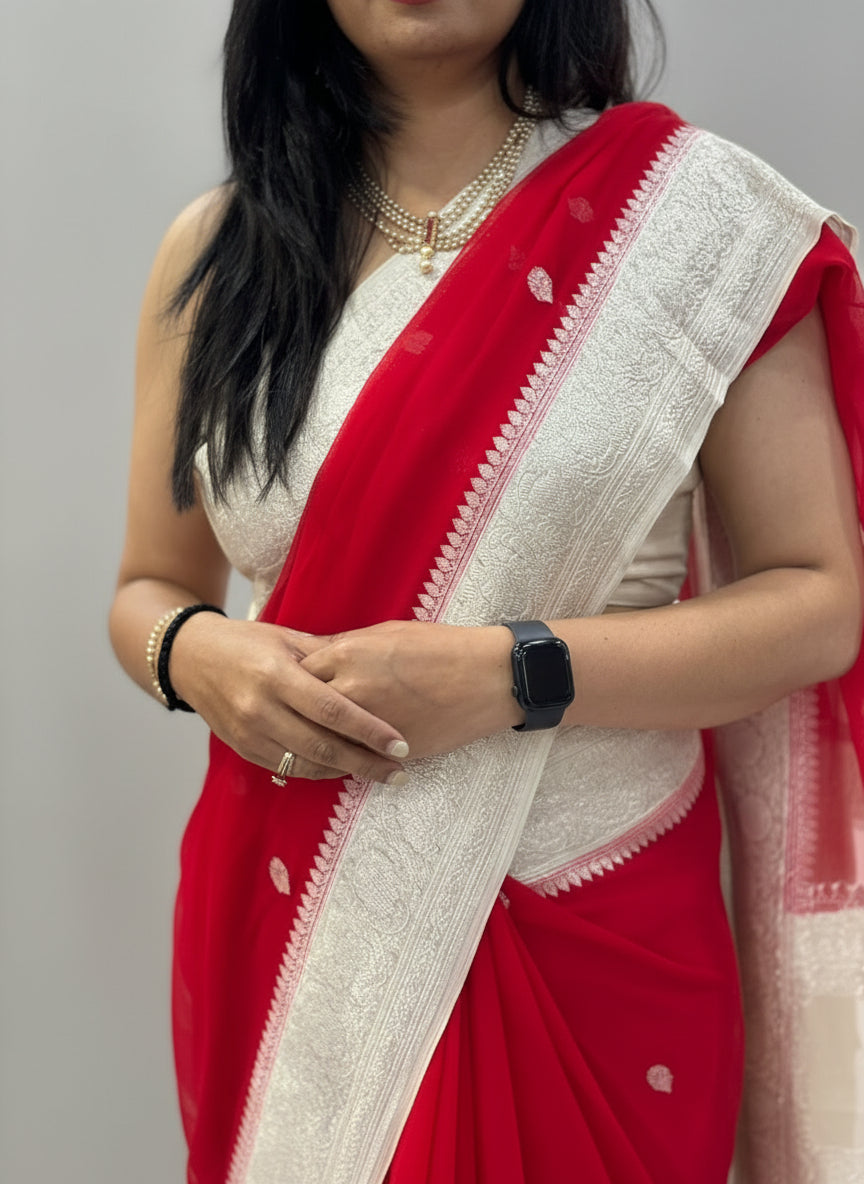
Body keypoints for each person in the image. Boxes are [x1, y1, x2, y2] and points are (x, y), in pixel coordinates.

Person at [109, 1, 864, 1181]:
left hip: (590, 922)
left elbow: (817, 601)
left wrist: (514, 674)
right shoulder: (219, 255)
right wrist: (197, 655)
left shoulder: (693, 225)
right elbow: (152, 585)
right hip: (301, 919)